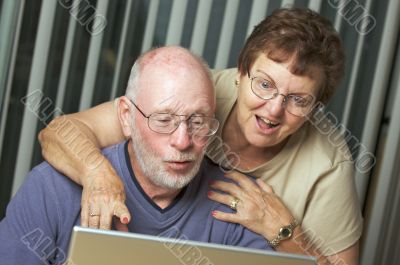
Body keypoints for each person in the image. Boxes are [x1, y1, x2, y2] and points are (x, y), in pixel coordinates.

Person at [39, 7, 362, 265]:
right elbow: (58, 134)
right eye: (264, 84)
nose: (274, 109)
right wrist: (98, 174)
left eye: (298, 100)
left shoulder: (328, 165)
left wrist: (283, 233)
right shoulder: (197, 91)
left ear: (316, 107)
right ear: (240, 72)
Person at [0, 47, 272, 265]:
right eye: (163, 120)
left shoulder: (237, 204)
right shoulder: (51, 190)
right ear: (126, 117)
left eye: (198, 121)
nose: (183, 141)